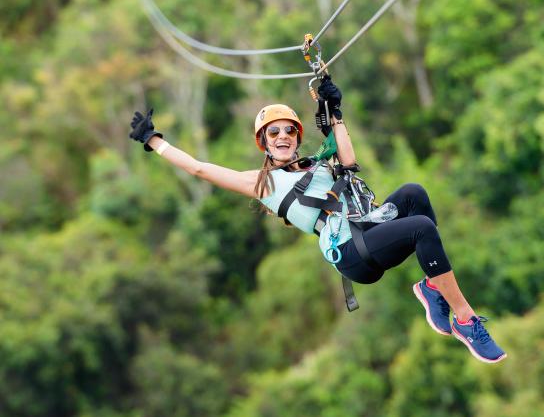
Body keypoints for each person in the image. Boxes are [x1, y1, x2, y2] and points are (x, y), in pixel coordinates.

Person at [129, 75, 506, 364]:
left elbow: (350, 161)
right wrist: (154, 141)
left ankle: (433, 289)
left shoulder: (319, 162)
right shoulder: (264, 183)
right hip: (351, 252)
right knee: (422, 228)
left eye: (288, 131)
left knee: (413, 194)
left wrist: (335, 112)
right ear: (264, 142)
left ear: (296, 136)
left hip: (367, 226)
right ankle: (464, 319)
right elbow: (200, 169)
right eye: (273, 133)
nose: (282, 136)